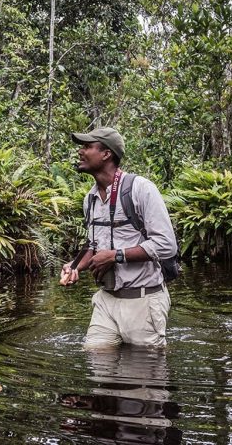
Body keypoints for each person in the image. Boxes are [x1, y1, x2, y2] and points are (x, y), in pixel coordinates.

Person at [60, 127, 177, 348]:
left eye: (87, 147)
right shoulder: (90, 199)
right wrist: (75, 266)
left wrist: (116, 256)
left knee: (144, 374)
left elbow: (166, 245)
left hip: (143, 301)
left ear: (106, 154)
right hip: (107, 300)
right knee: (96, 360)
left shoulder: (140, 189)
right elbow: (95, 246)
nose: (80, 152)